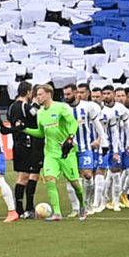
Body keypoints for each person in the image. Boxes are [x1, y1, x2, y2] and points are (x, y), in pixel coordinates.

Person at [33, 85, 84, 221]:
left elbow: (73, 123)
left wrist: (71, 137)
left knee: (75, 184)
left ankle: (83, 206)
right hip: (50, 154)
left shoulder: (61, 107)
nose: (38, 97)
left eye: (40, 94)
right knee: (50, 180)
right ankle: (57, 213)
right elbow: (40, 133)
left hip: (66, 152)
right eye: (37, 94)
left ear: (49, 94)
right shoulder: (40, 113)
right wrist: (23, 129)